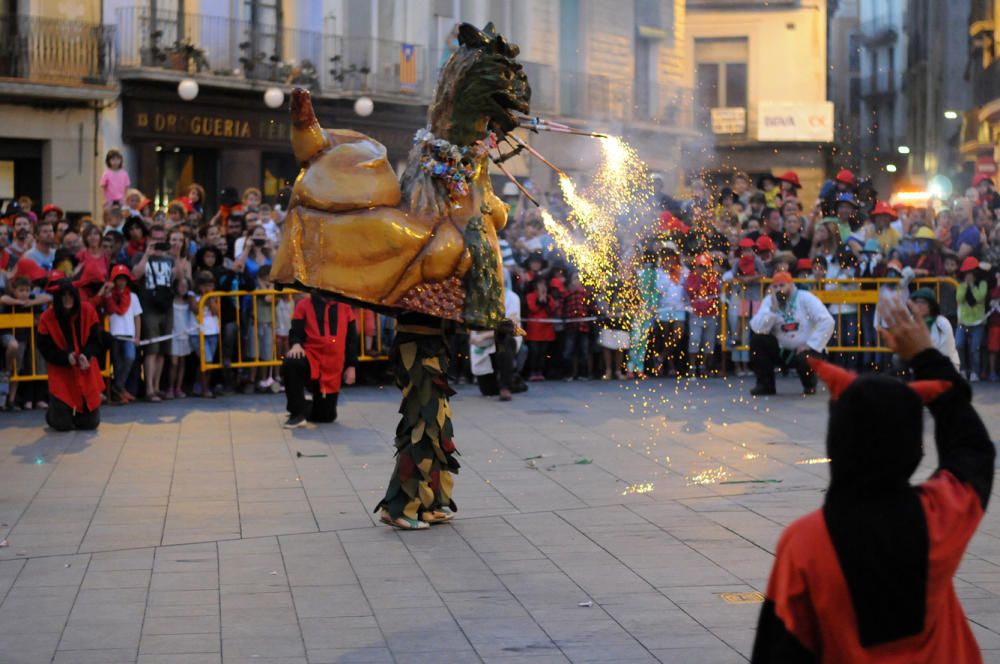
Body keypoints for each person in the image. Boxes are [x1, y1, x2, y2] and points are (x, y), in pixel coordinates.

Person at [751, 296, 994, 663]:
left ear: (838, 442)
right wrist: (928, 358)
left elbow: (781, 651)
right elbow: (973, 451)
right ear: (914, 451)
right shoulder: (939, 517)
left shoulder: (804, 544)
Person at [749, 271, 835, 396]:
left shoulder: (805, 297)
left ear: (791, 285)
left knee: (805, 358)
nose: (779, 290)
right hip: (782, 351)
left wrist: (810, 345)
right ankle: (765, 385)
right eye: (776, 287)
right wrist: (772, 311)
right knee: (757, 340)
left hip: (806, 350)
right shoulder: (769, 301)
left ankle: (809, 384)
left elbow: (827, 321)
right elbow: (757, 328)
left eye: (782, 286)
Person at [36, 274, 104, 431]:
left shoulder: (87, 310)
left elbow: (97, 340)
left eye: (70, 296)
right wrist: (64, 358)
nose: (67, 300)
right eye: (63, 296)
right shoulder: (47, 318)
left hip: (85, 370)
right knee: (62, 425)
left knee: (90, 424)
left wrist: (86, 355)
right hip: (62, 373)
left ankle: (78, 414)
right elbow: (45, 348)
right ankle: (54, 412)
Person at [282, 291, 358, 428]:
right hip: (311, 360)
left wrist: (351, 366)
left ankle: (305, 407)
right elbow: (295, 330)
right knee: (292, 362)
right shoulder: (303, 305)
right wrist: (296, 344)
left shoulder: (345, 307)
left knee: (326, 417)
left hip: (333, 367)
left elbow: (352, 340)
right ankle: (296, 412)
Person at [132, 224, 175, 401]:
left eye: (161, 240)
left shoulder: (169, 259)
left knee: (162, 350)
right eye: (155, 239)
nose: (158, 243)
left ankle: (157, 387)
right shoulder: (140, 256)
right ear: (149, 239)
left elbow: (177, 277)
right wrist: (147, 255)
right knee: (151, 349)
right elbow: (135, 275)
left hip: (166, 306)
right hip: (148, 307)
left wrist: (177, 254)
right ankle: (149, 388)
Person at [105, 264, 141, 404]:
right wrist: (107, 293)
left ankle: (117, 386)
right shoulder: (109, 296)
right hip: (114, 335)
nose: (121, 282)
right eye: (118, 279)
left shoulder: (133, 297)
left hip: (129, 335)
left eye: (123, 279)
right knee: (117, 364)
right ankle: (120, 392)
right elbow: (106, 311)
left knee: (130, 357)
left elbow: (137, 317)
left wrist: (137, 336)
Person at [685, 253, 720, 377]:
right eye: (700, 266)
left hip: (711, 313)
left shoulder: (713, 277)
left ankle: (703, 366)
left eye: (705, 267)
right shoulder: (691, 276)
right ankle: (692, 367)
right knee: (695, 340)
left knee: (709, 342)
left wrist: (706, 280)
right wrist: (700, 280)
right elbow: (690, 291)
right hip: (696, 313)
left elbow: (715, 290)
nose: (703, 269)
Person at [910, 288, 961, 372]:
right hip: (921, 365)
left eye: (923, 302)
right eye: (916, 302)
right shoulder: (911, 320)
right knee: (897, 359)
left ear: (931, 305)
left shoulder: (942, 323)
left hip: (944, 367)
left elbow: (944, 353)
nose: (918, 305)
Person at [956, 256, 988, 382]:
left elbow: (980, 297)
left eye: (970, 273)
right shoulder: (961, 285)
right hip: (962, 322)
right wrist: (965, 286)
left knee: (975, 348)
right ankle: (963, 370)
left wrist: (973, 286)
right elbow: (959, 298)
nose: (968, 275)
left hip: (978, 322)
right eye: (966, 273)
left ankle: (975, 372)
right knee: (959, 344)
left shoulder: (982, 284)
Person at [524, 278, 558, 381]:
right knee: (534, 352)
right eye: (540, 285)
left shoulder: (549, 297)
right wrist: (540, 300)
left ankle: (540, 372)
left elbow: (552, 310)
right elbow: (533, 309)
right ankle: (532, 372)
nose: (543, 287)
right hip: (534, 330)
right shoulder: (530, 296)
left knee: (543, 353)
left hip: (546, 331)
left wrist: (545, 300)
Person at [167, 275, 194, 399]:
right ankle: (170, 388)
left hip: (185, 334)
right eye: (181, 285)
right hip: (174, 334)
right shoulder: (171, 301)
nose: (183, 288)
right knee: (174, 363)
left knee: (182, 362)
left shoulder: (189, 301)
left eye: (186, 286)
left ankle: (179, 387)